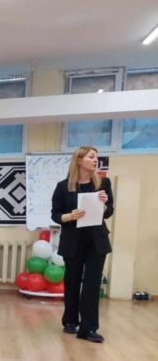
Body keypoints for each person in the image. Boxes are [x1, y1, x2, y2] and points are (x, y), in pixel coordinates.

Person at [50, 145, 114, 343]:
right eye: (91, 157)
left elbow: (109, 211)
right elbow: (55, 215)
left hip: (96, 241)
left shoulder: (103, 183)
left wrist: (104, 204)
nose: (95, 160)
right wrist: (70, 216)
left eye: (97, 157)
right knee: (72, 281)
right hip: (73, 241)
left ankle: (89, 328)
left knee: (92, 285)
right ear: (79, 160)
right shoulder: (63, 186)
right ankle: (70, 320)